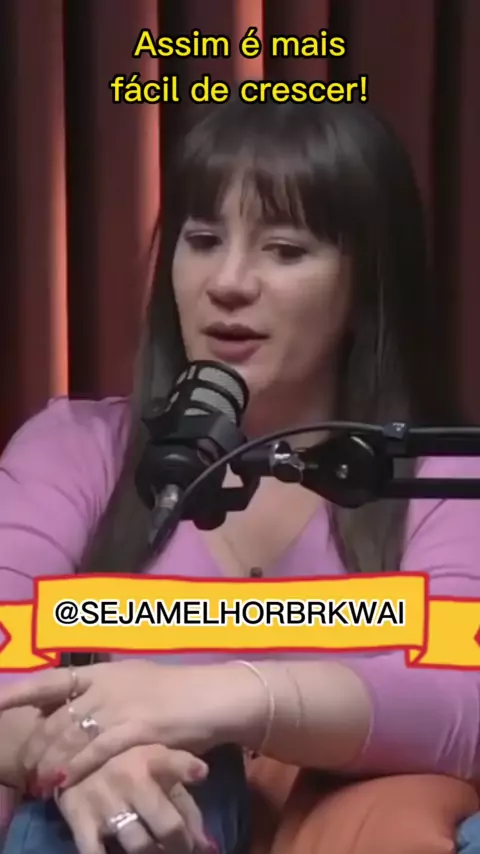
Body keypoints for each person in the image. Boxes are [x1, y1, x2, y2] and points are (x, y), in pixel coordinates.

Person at [0, 97, 479, 854]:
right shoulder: (75, 448)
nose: (227, 282)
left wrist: (212, 698)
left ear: (367, 284)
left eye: (284, 251)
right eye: (202, 240)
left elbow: (462, 698)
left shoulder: (443, 479)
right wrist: (80, 757)